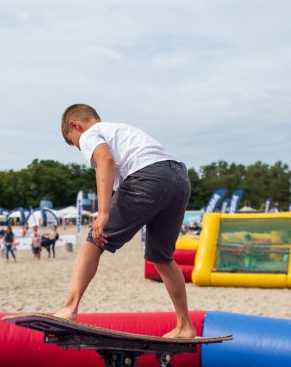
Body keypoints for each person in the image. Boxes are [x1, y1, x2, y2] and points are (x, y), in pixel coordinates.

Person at [54, 104, 194, 338]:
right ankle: (185, 325)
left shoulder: (89, 134)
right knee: (161, 258)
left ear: (74, 125)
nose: (79, 148)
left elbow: (105, 161)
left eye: (74, 143)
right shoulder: (121, 130)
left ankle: (69, 307)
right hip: (179, 177)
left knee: (94, 240)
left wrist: (103, 212)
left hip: (148, 176)